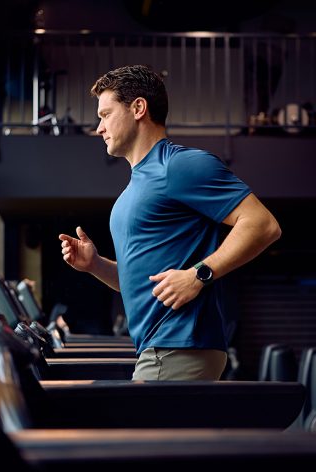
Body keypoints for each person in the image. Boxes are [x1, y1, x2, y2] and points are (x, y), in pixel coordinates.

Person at [59, 65, 281, 381]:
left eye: (106, 114)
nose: (99, 128)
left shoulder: (178, 165)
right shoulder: (135, 187)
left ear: (138, 108)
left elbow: (262, 225)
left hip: (177, 348)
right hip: (160, 348)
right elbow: (147, 286)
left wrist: (199, 274)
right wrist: (95, 265)